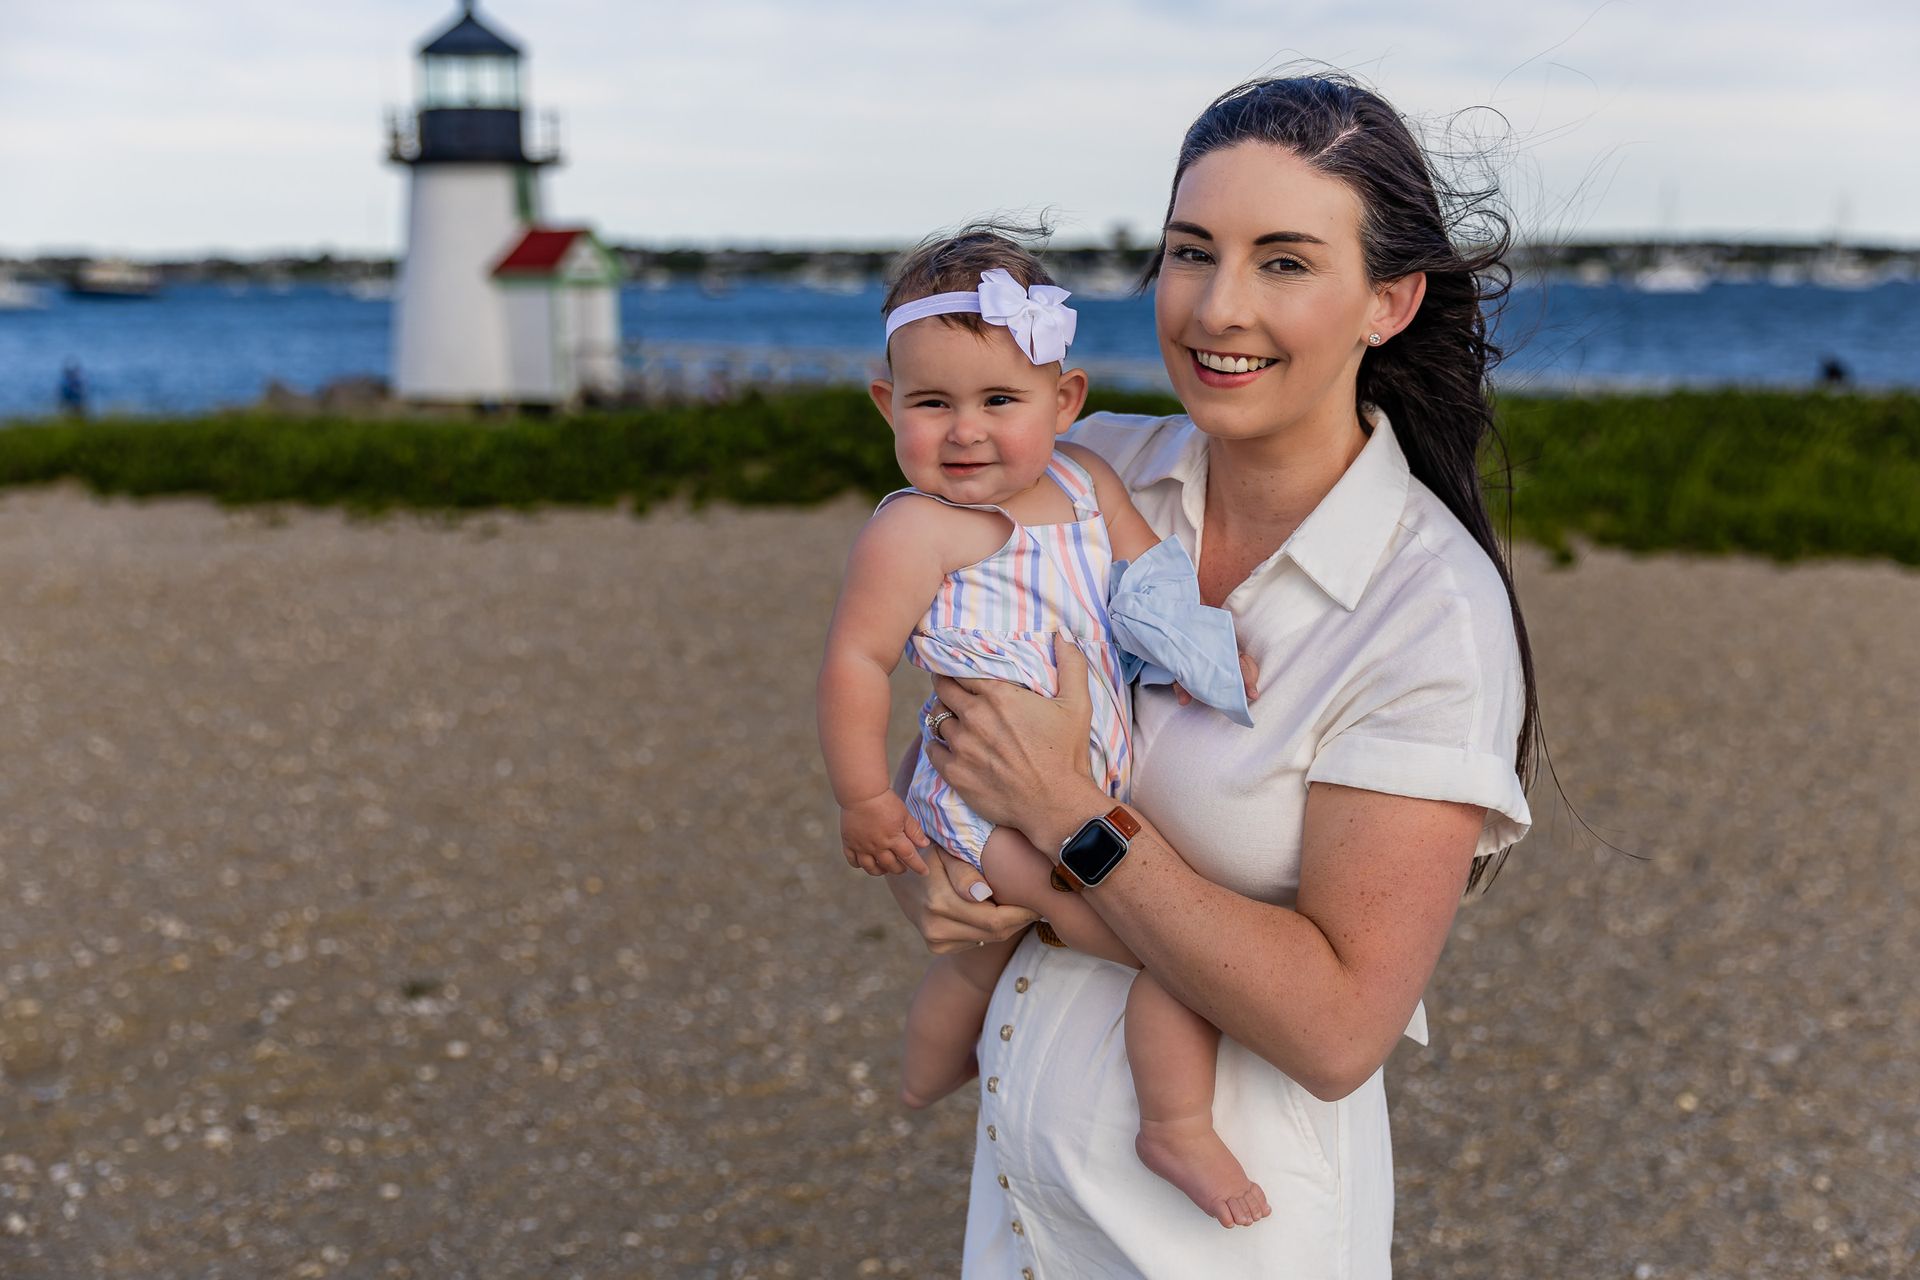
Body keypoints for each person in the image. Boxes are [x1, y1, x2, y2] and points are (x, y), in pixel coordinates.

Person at [884, 74, 1539, 1277]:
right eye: (1193, 252)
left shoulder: (1426, 612)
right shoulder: (1081, 471)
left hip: (1226, 1243)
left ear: (1386, 301)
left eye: (1285, 261)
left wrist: (1071, 822)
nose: (1217, 307)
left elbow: (1339, 1028)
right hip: (1022, 1214)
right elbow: (954, 738)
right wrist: (944, 874)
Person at [817, 229, 1271, 1228]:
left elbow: (1150, 586)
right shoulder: (912, 531)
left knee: (980, 957)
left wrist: (1207, 659)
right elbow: (855, 664)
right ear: (890, 407)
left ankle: (932, 1066)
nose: (966, 431)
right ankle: (1174, 1122)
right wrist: (865, 798)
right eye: (933, 403)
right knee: (1159, 951)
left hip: (1073, 781)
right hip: (985, 805)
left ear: (1063, 403)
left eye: (999, 401)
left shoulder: (1085, 485)